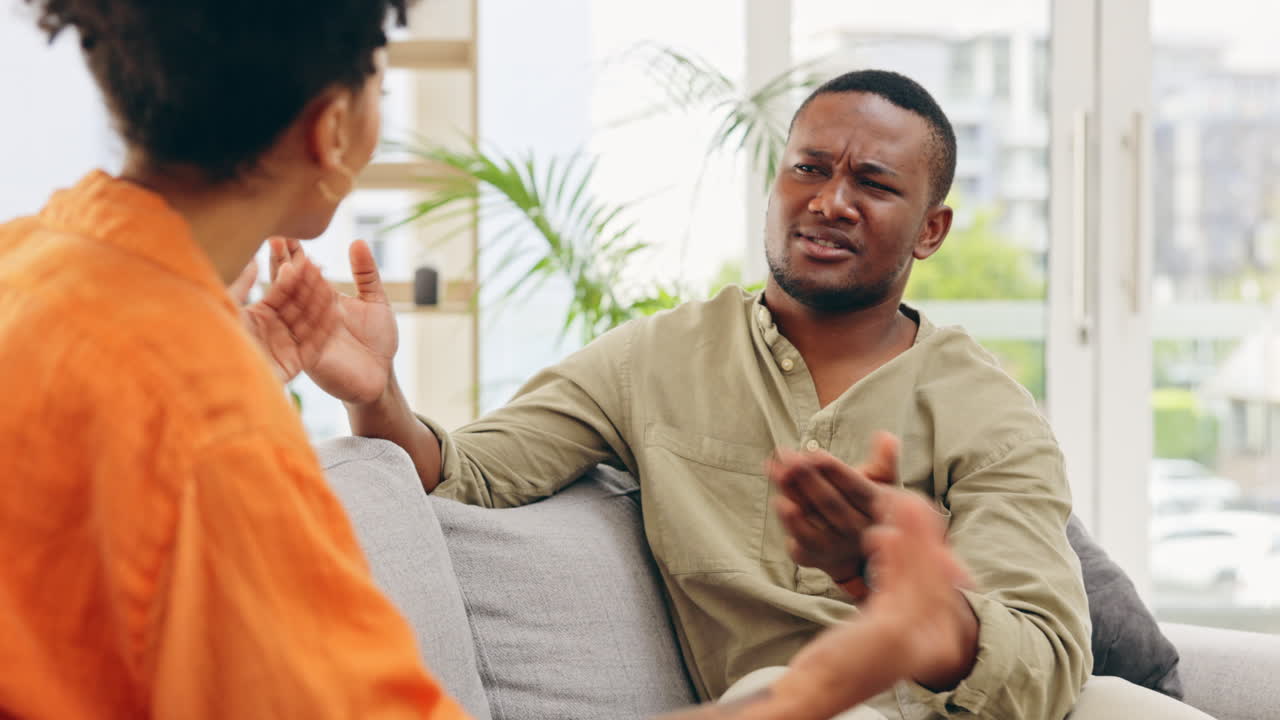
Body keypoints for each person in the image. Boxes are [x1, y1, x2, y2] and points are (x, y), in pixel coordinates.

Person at [0, 2, 995, 719]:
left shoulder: (27, 267)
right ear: (333, 130)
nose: (829, 200)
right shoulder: (209, 426)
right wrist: (849, 666)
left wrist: (267, 373)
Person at [283, 69, 1218, 719]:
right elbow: (470, 474)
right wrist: (378, 395)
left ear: (930, 230)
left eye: (873, 182)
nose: (830, 199)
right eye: (809, 167)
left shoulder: (991, 409)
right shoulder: (656, 357)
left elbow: (1049, 661)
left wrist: (912, 600)